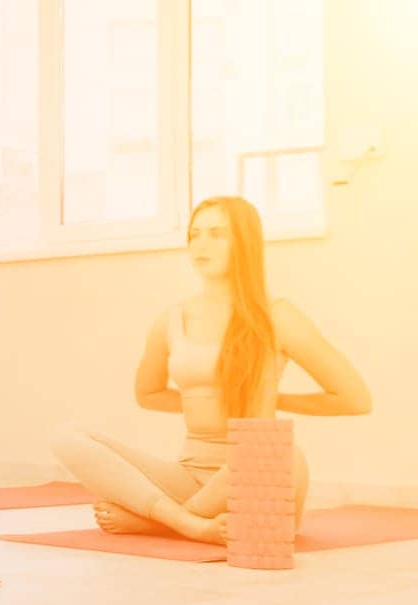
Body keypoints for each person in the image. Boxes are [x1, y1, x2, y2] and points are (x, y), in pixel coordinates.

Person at [52, 197, 371, 544]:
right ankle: (189, 523)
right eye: (195, 234)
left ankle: (157, 521)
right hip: (189, 473)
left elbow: (354, 399)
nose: (202, 243)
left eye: (217, 233)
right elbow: (148, 394)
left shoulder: (278, 315)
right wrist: (199, 399)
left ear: (244, 243)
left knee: (283, 456)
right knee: (68, 436)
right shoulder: (171, 318)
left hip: (254, 467)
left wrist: (268, 395)